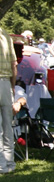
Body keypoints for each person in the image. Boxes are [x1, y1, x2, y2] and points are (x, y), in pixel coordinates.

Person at [0, 28, 17, 174]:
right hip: (5, 82)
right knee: (7, 125)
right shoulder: (5, 34)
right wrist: (12, 86)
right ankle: (10, 162)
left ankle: (2, 165)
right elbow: (14, 64)